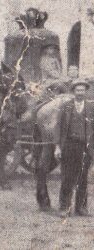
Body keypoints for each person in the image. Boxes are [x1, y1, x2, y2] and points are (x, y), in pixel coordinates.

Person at [55, 79, 94, 218]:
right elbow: (58, 127)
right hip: (69, 146)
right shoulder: (66, 106)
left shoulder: (91, 107)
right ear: (73, 92)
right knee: (67, 177)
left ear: (86, 92)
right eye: (78, 90)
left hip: (85, 147)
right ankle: (64, 207)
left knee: (83, 178)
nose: (80, 93)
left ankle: (81, 208)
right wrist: (57, 147)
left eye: (82, 90)